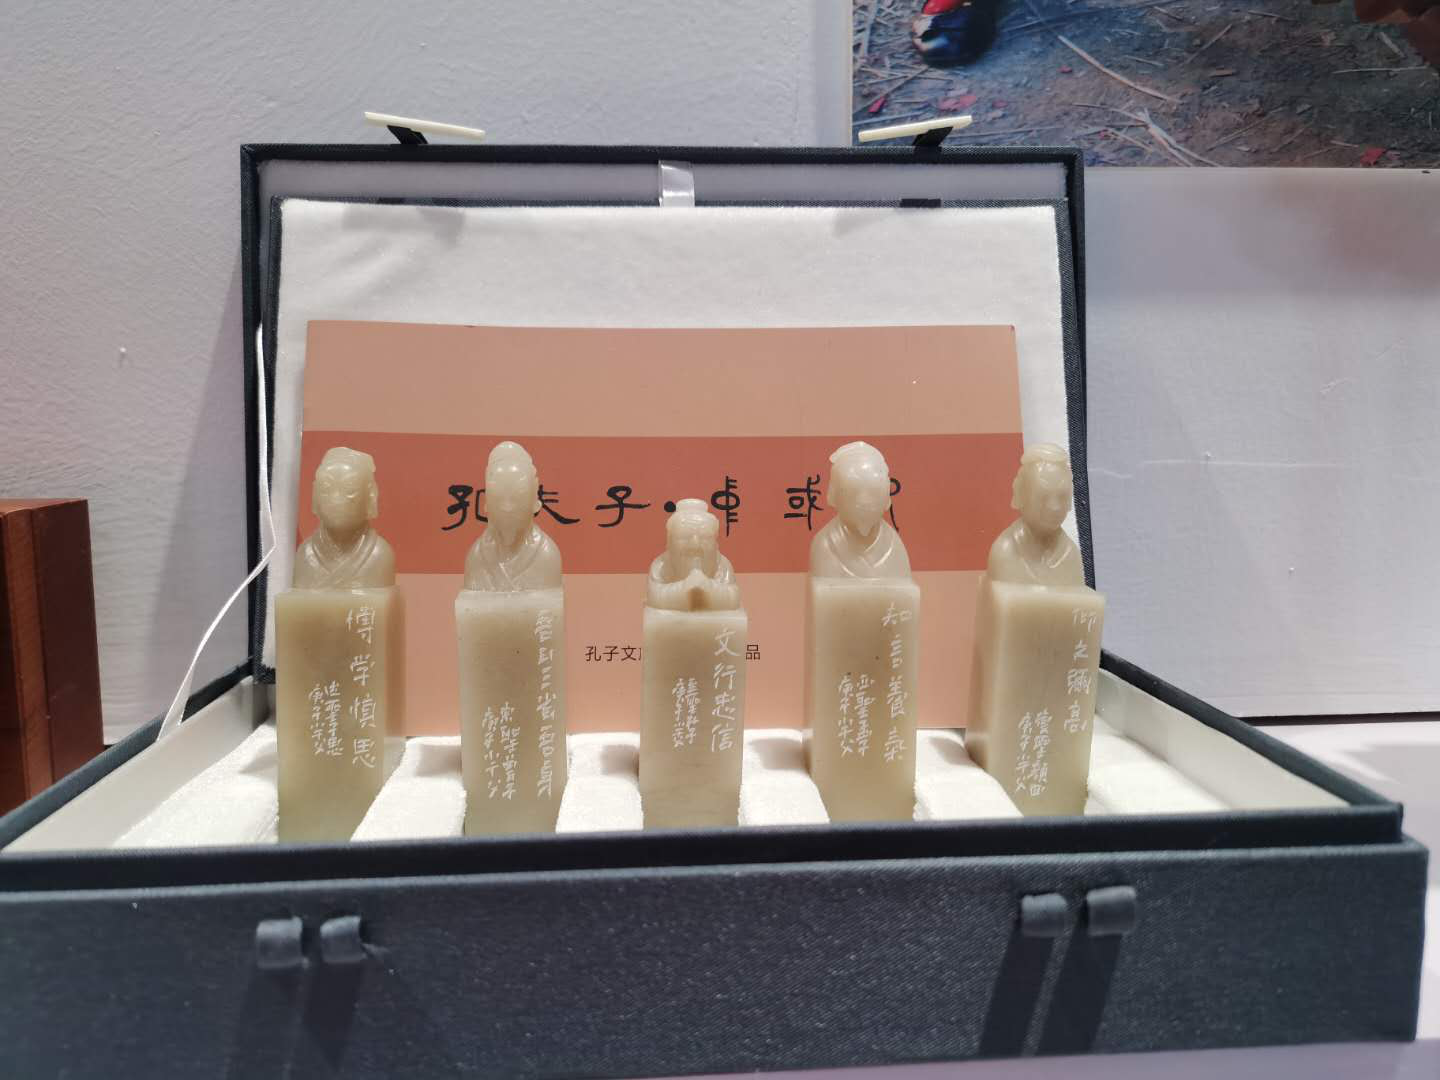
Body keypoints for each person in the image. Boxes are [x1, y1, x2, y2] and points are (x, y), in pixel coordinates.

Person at [463, 441, 561, 591]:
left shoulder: (547, 555)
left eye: (518, 496)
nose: (507, 507)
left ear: (535, 501)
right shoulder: (476, 558)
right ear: (486, 503)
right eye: (497, 496)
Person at [292, 447, 395, 589]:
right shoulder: (306, 554)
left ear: (370, 496)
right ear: (315, 495)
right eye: (326, 488)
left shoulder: (379, 555)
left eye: (350, 490)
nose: (336, 499)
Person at [810, 441, 911, 580]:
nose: (864, 500)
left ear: (887, 497)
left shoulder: (895, 547)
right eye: (853, 490)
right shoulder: (824, 545)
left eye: (874, 490)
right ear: (833, 495)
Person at [986, 442, 1082, 586]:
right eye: (1043, 496)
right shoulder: (1006, 551)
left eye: (1062, 497)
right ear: (1020, 494)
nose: (1054, 507)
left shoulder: (1070, 555)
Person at [646, 498, 740, 612]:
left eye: (705, 537)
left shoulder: (721, 564)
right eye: (684, 536)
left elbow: (733, 597)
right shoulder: (660, 566)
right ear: (669, 541)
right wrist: (684, 587)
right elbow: (654, 595)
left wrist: (708, 586)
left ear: (716, 542)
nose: (695, 545)